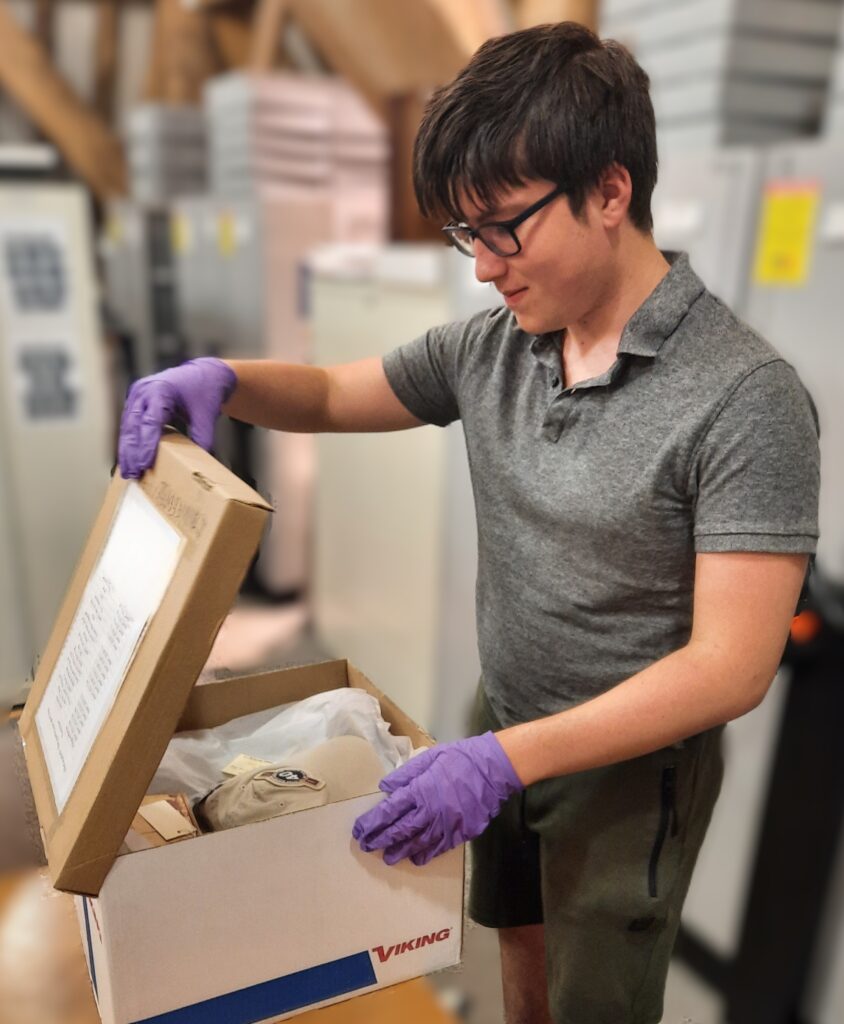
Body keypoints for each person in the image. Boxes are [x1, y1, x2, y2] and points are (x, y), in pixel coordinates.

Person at [118, 23, 820, 1024]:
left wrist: (504, 759)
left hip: (623, 775)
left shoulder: (745, 398)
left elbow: (729, 667)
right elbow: (325, 391)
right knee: (516, 952)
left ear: (611, 192)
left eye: (505, 227)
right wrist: (224, 381)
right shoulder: (501, 343)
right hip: (507, 711)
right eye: (465, 234)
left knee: (597, 1000)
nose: (484, 266)